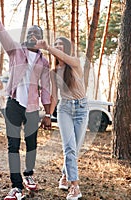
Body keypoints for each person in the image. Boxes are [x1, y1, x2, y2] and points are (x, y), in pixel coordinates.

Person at [0, 1, 52, 199]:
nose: (32, 35)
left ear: (41, 39)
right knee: (13, 145)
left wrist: (48, 114)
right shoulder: (15, 50)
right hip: (13, 104)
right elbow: (0, 30)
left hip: (32, 108)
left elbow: (46, 89)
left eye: (36, 34)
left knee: (31, 145)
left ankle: (29, 175)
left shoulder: (43, 62)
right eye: (30, 32)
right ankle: (17, 187)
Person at [35, 37, 89, 200]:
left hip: (81, 109)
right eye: (56, 44)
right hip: (64, 110)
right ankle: (74, 186)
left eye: (61, 45)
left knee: (75, 148)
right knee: (69, 148)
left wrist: (48, 47)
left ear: (66, 48)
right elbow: (54, 96)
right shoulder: (53, 71)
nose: (58, 47)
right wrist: (48, 115)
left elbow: (64, 58)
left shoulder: (75, 63)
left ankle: (65, 175)